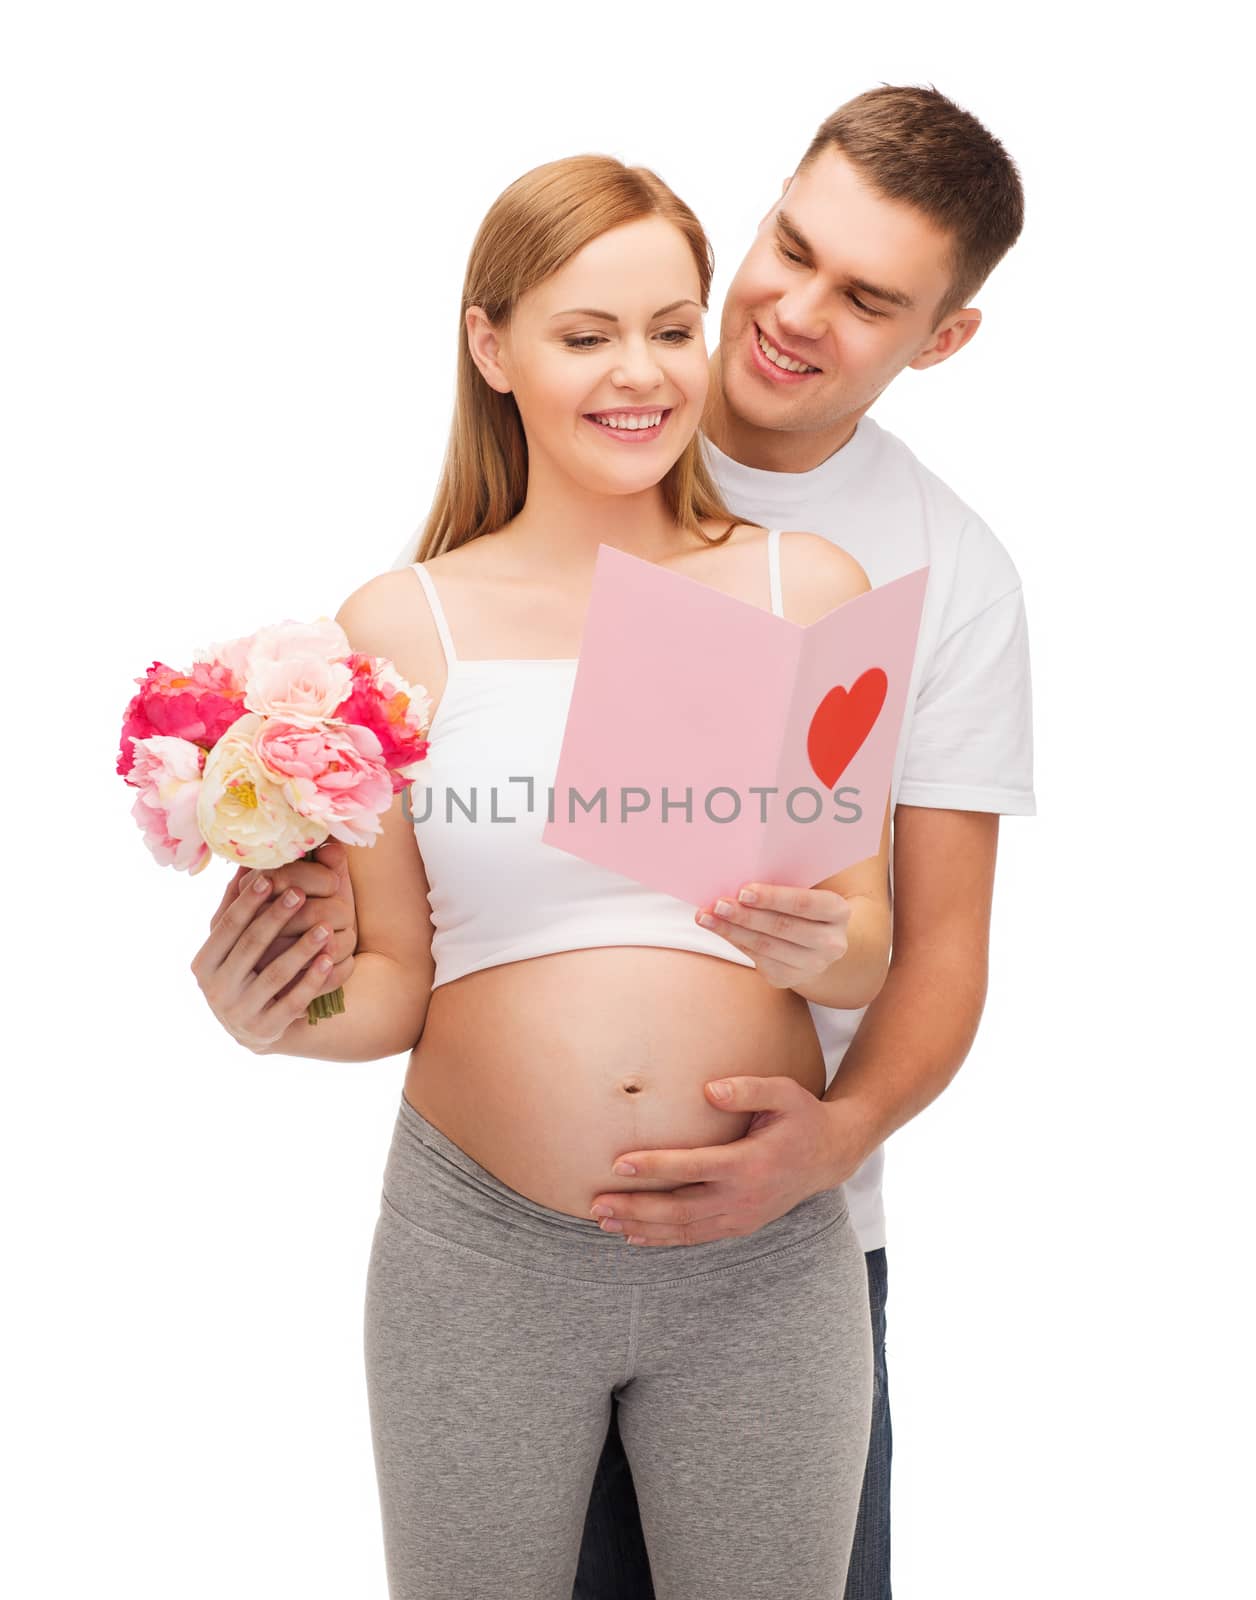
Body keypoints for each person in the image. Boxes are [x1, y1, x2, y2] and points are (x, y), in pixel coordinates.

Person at [192, 151, 894, 1598]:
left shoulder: (801, 590)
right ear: (491, 343)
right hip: (480, 1257)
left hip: (759, 1260)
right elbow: (395, 980)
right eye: (587, 335)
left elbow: (871, 949)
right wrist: (280, 1012)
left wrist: (817, 944)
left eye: (672, 327)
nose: (640, 374)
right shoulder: (402, 623)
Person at [570, 85, 1036, 1600]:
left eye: (869, 298)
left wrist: (827, 1150)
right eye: (790, 246)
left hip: (790, 1242)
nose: (794, 311)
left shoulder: (949, 574)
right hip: (521, 1226)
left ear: (943, 341)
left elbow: (945, 945)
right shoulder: (581, 429)